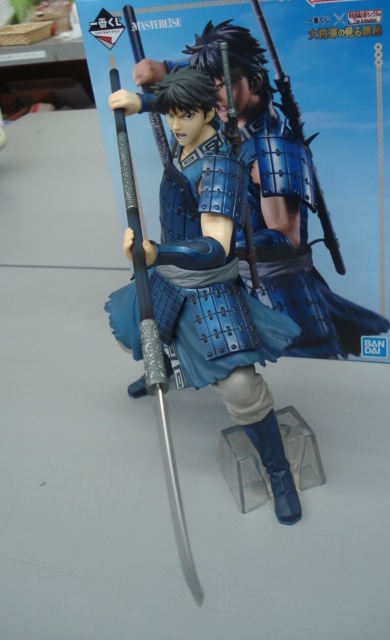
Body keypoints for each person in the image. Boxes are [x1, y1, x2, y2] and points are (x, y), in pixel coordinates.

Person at [106, 67, 302, 525]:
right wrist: (141, 103)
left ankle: (278, 472)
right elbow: (176, 103)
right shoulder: (186, 126)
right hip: (167, 274)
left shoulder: (219, 168)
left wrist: (156, 252)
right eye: (171, 114)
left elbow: (215, 247)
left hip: (207, 283)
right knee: (146, 328)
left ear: (209, 113)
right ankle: (160, 368)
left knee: (240, 387)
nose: (176, 125)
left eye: (185, 115)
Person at [131, 19, 390, 361]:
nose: (211, 96)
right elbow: (220, 69)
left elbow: (285, 237)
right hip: (225, 282)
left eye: (220, 86)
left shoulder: (271, 148)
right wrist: (165, 69)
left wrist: (218, 246)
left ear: (253, 82)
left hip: (275, 293)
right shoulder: (228, 120)